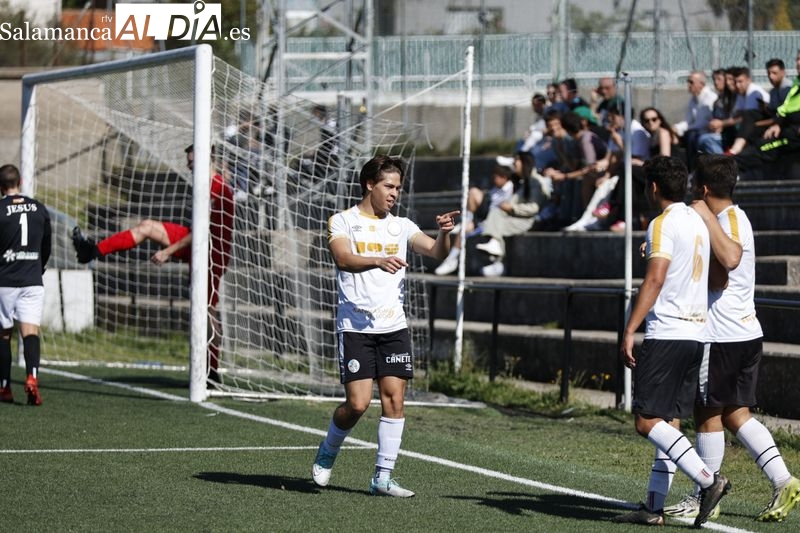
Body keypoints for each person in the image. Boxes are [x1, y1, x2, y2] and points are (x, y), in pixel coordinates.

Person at [663, 154, 800, 523]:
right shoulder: (735, 217)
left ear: (703, 189)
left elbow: (729, 261)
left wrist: (704, 219)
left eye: (695, 187)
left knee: (706, 414)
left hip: (722, 335)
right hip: (745, 333)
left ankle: (702, 495)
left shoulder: (723, 220)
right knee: (737, 415)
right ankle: (784, 480)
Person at [311, 155, 458, 497]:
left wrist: (445, 234)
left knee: (394, 401)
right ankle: (328, 451)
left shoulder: (402, 226)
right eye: (389, 186)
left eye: (398, 188)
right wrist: (378, 260)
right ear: (370, 185)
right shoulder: (342, 221)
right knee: (358, 405)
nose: (394, 194)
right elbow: (343, 259)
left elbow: (436, 252)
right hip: (356, 326)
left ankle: (382, 477)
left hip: (393, 326)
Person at [612, 156, 731, 527]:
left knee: (647, 421)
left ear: (653, 187)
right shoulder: (697, 220)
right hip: (696, 334)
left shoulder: (661, 223)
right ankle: (653, 508)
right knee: (670, 423)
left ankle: (709, 481)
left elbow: (655, 279)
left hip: (668, 331)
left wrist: (629, 329)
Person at [71, 144, 235, 387]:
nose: (189, 166)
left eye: (192, 162)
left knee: (206, 311)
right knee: (147, 225)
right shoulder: (206, 184)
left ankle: (212, 370)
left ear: (205, 160)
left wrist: (167, 251)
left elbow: (204, 231)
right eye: (188, 162)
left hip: (213, 254)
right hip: (197, 243)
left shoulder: (218, 188)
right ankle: (92, 251)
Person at [0, 164, 51, 406]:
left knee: (4, 334)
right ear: (20, 181)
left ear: (1, 187)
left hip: (5, 280)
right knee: (30, 331)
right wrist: (38, 267)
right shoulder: (39, 208)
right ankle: (32, 376)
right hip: (32, 279)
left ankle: (4, 387)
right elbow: (47, 245)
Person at [434, 158, 514, 275]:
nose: (493, 178)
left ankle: (453, 259)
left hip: (495, 220)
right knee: (473, 192)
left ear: (504, 177)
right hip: (486, 217)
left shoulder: (511, 189)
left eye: (496, 176)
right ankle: (452, 258)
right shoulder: (496, 189)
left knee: (464, 230)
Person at [474, 151, 547, 276]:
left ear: (524, 163)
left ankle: (498, 262)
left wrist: (512, 208)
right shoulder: (523, 181)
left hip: (528, 220)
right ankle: (496, 257)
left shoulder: (535, 182)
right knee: (494, 217)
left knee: (494, 223)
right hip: (517, 217)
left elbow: (534, 208)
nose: (514, 164)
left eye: (516, 161)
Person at [674, 70, 717, 169]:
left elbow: (701, 123)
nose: (688, 85)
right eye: (688, 82)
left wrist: (681, 130)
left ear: (701, 84)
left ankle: (693, 169)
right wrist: (676, 128)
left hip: (706, 130)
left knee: (691, 135)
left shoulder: (710, 98)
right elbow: (687, 120)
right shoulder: (694, 99)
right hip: (697, 130)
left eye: (691, 82)